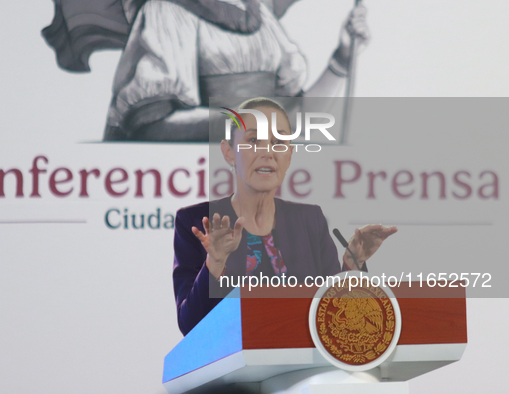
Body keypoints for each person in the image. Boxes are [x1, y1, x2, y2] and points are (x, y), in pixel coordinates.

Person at [173, 98, 397, 335]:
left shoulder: (310, 219)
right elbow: (190, 325)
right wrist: (215, 263)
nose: (268, 152)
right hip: (233, 370)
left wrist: (353, 267)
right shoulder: (197, 222)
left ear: (289, 155)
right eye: (253, 140)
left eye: (278, 142)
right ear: (229, 153)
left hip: (305, 368)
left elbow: (338, 317)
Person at [41, 0, 370, 141]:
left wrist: (341, 59)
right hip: (196, 194)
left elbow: (297, 119)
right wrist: (247, 123)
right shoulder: (168, 11)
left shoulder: (262, 16)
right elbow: (151, 126)